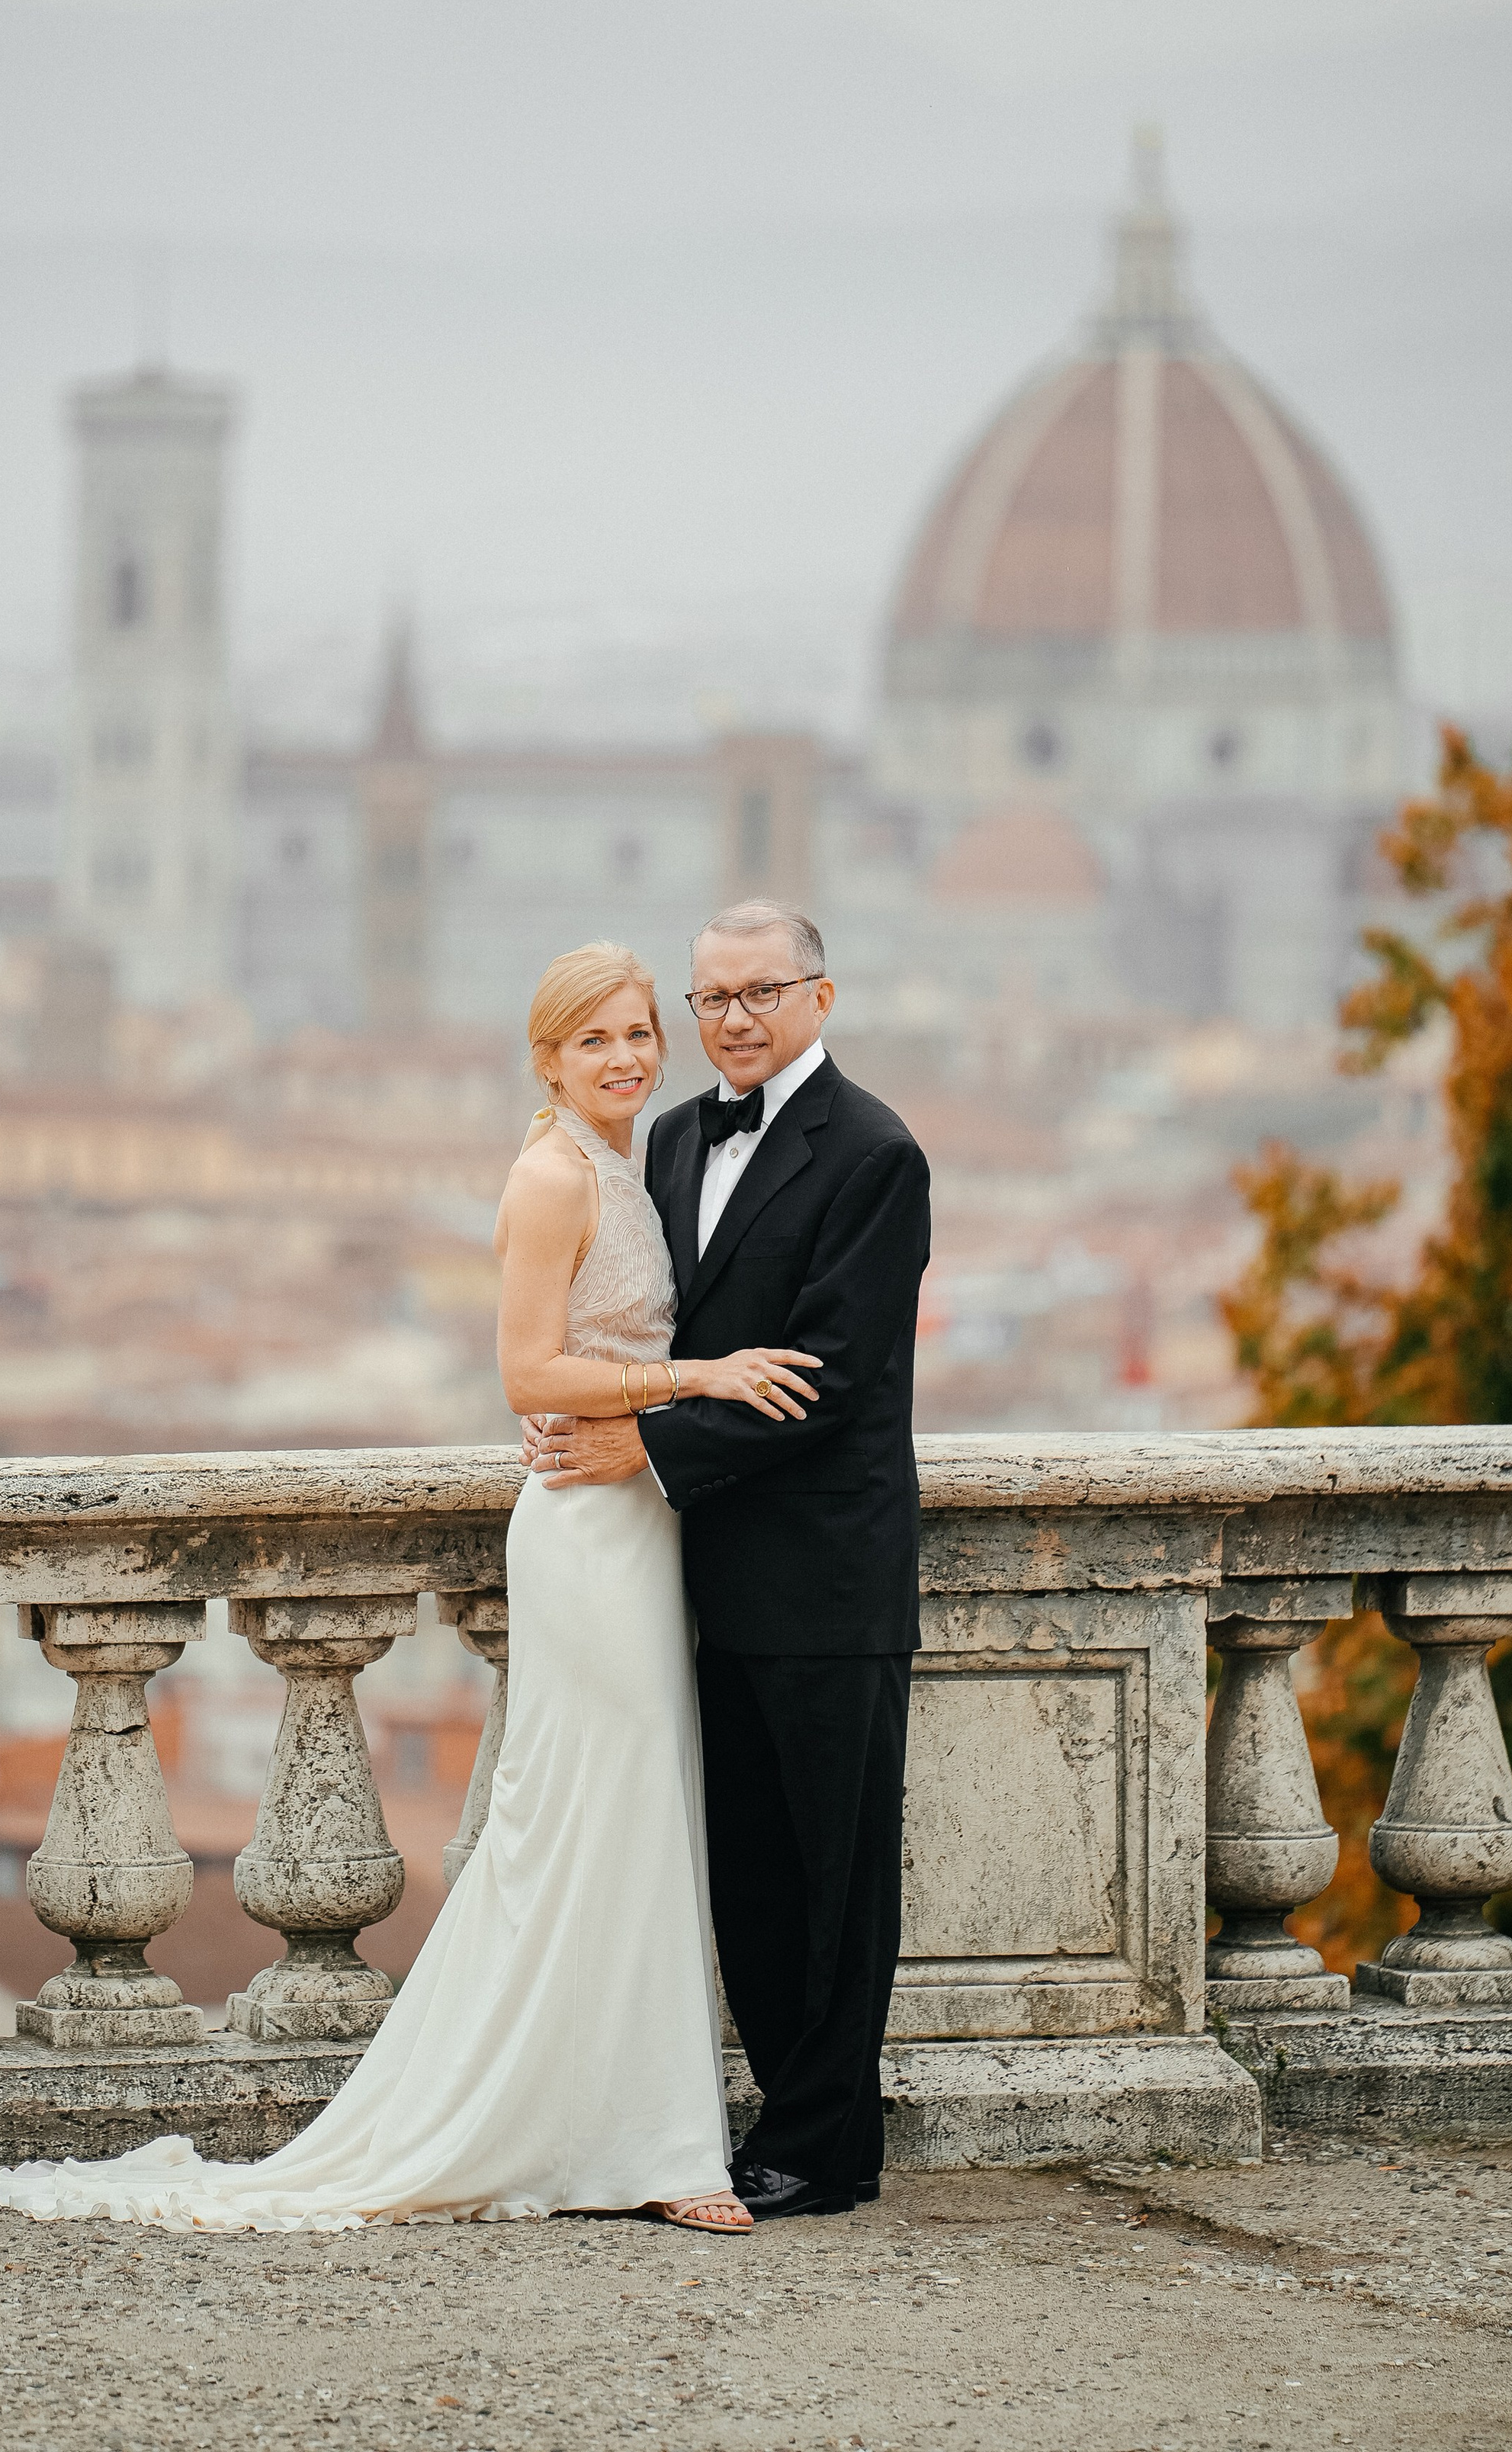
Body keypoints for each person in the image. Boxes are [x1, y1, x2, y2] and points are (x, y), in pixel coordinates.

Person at [0, 940, 818, 2236]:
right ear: (547, 1060)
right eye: (594, 1040)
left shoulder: (632, 1163)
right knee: (586, 1819)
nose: (627, 1057)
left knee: (634, 1820)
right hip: (586, 1531)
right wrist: (694, 1383)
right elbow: (528, 1377)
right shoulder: (553, 1175)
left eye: (641, 1033)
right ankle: (636, 2143)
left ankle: (635, 2131)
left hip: (636, 1520)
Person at [524, 899, 930, 2221]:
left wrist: (645, 1452)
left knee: (834, 1876)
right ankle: (772, 2127)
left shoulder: (876, 1154)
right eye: (715, 999)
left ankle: (826, 2147)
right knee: (749, 1872)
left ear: (821, 996)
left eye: (763, 993)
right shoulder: (679, 1136)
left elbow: (830, 1376)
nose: (736, 1020)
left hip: (824, 1579)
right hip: (694, 1574)